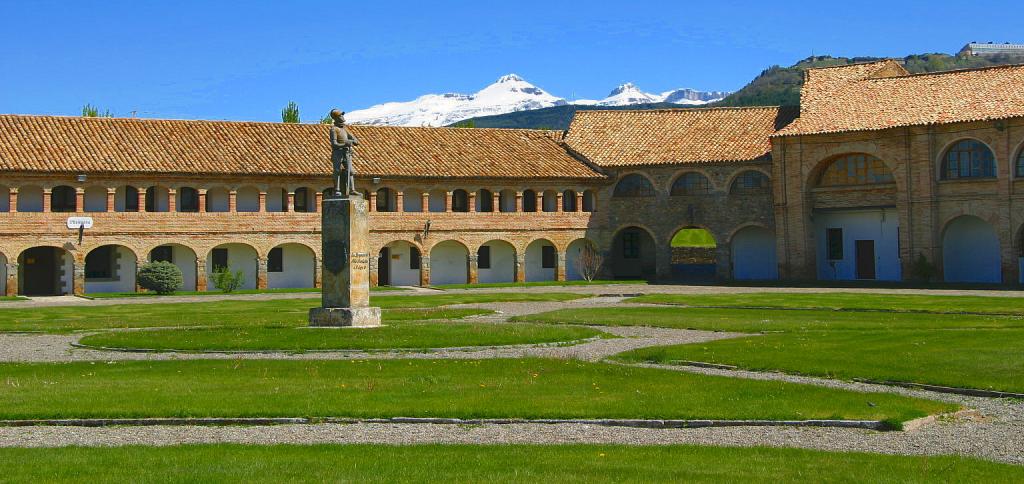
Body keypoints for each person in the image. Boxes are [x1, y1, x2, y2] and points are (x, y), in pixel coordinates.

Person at [328, 109, 360, 196]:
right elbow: (334, 144)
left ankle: (352, 189)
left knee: (350, 171)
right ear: (336, 118)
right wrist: (345, 143)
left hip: (347, 152)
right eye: (340, 116)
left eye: (342, 115)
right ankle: (337, 189)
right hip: (338, 153)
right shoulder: (334, 129)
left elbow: (355, 140)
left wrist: (353, 141)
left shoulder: (344, 129)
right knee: (337, 171)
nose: (342, 117)